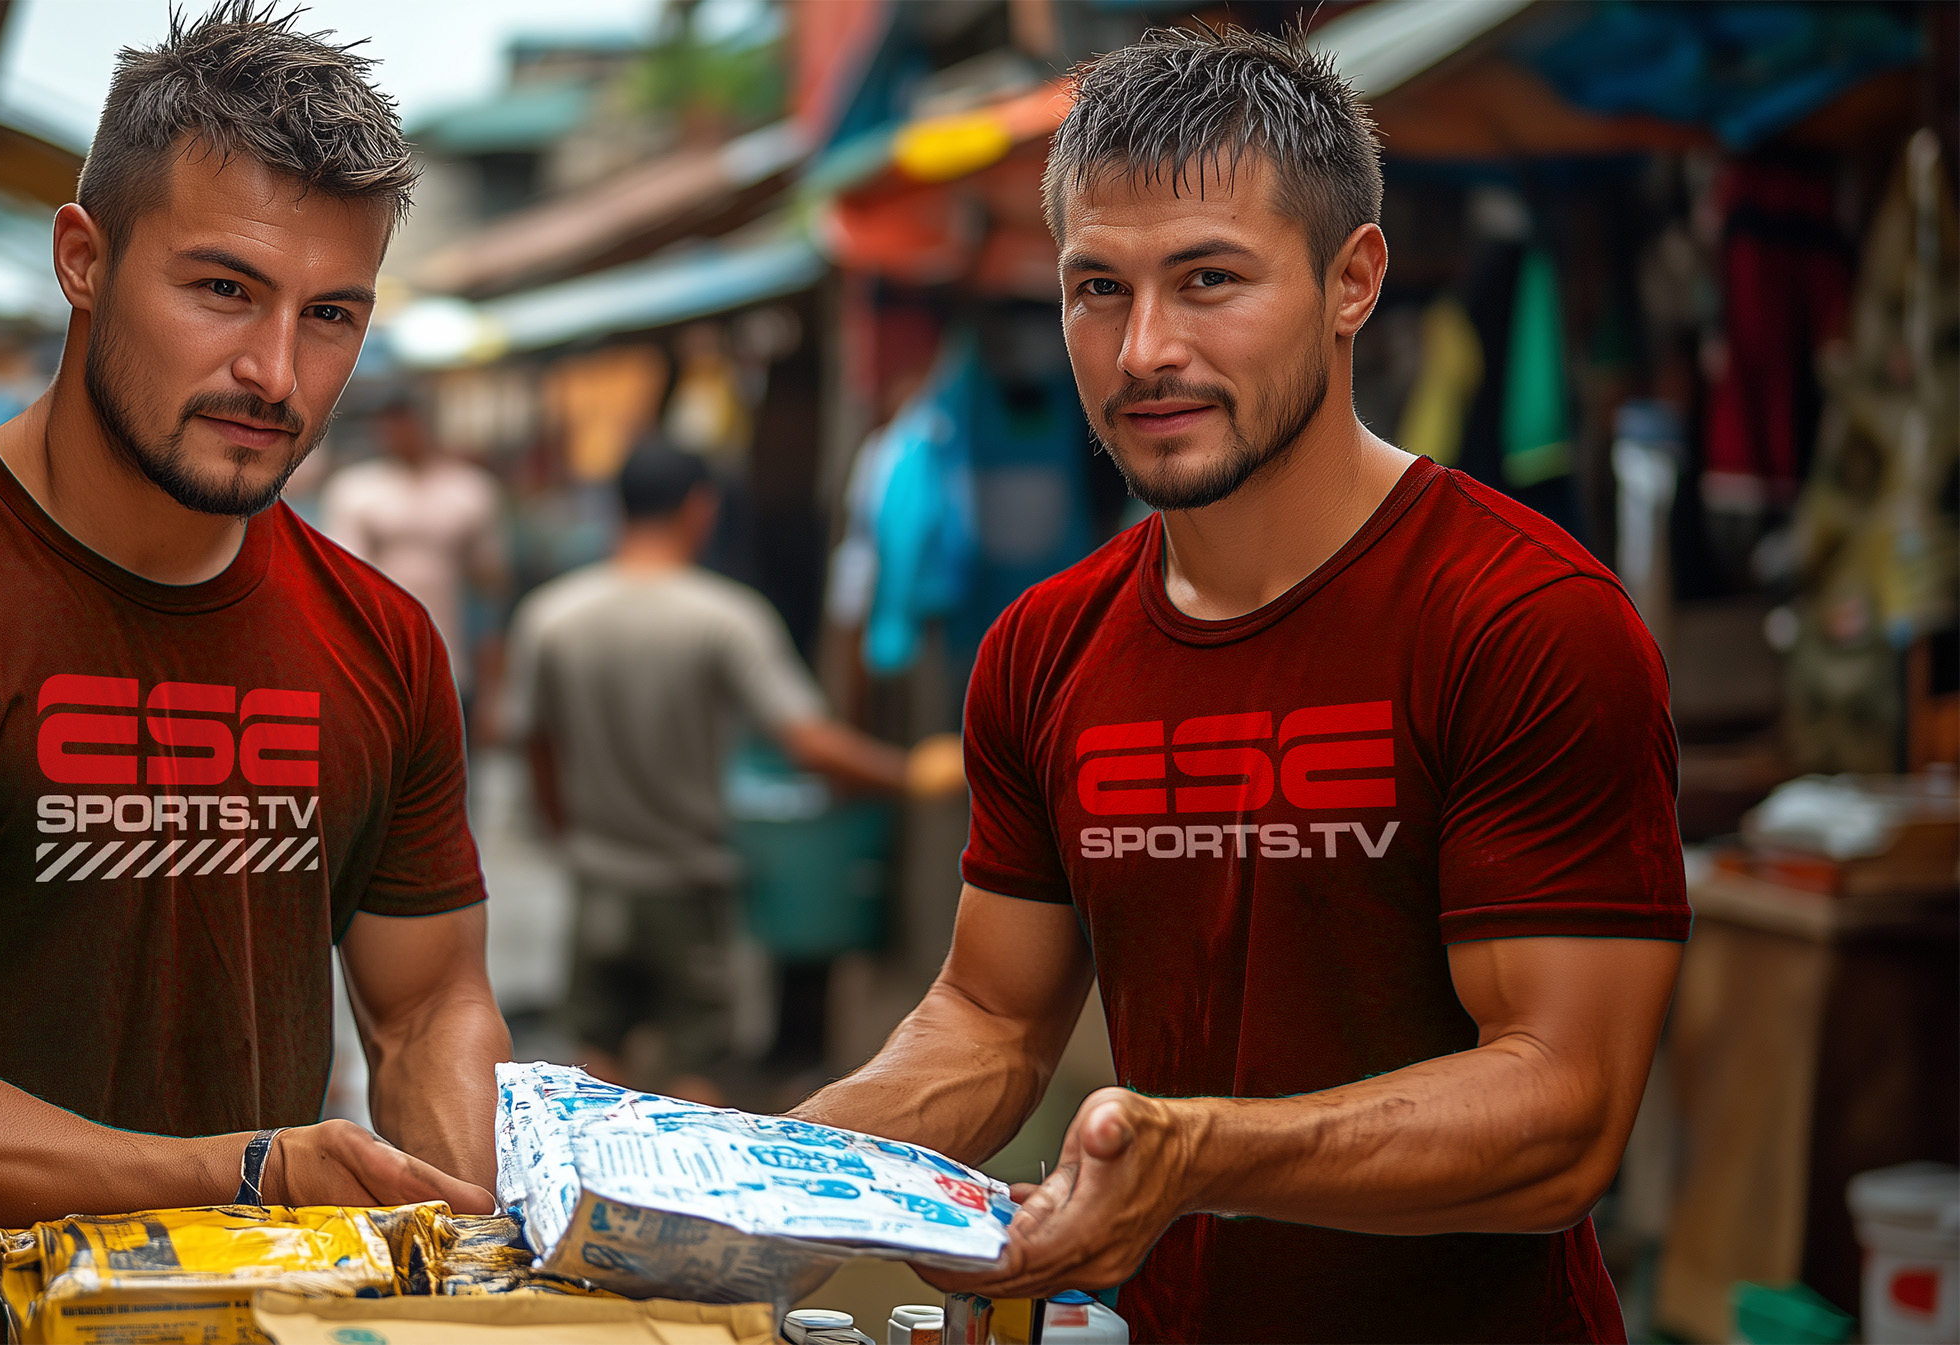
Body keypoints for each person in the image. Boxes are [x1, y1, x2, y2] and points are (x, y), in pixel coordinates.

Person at [793, 27, 1687, 1343]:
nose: (1146, 348)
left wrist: (1202, 1153)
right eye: (1098, 288)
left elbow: (1565, 1111)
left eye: (1210, 279)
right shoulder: (1044, 648)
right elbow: (989, 1017)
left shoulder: (1524, 620)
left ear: (1352, 280)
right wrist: (739, 1179)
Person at [0, 7, 507, 1339]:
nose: (275, 371)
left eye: (331, 315)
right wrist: (243, 1177)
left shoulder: (380, 636)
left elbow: (428, 1000)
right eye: (222, 289)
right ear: (83, 259)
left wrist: (464, 1232)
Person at [502, 443, 964, 1101]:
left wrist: (568, 835)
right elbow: (810, 744)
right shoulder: (725, 618)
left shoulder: (550, 616)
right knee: (701, 1070)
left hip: (597, 879)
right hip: (693, 888)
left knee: (597, 1063)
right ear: (700, 509)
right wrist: (910, 774)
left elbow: (533, 744)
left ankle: (581, 1197)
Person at [321, 392, 508, 706]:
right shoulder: (356, 490)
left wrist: (493, 689)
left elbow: (491, 589)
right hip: (378, 661)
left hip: (451, 658)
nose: (399, 431)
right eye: (390, 423)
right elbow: (343, 583)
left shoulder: (469, 489)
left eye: (405, 420)